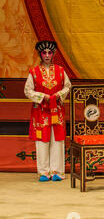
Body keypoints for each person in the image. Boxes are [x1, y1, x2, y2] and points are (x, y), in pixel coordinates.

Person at [24, 41, 72, 182]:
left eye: (49, 52)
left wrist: (58, 95)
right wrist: (42, 96)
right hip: (41, 110)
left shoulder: (60, 70)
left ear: (53, 54)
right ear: (40, 54)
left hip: (57, 110)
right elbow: (27, 90)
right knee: (42, 140)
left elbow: (68, 86)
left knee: (57, 139)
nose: (46, 55)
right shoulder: (34, 72)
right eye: (44, 53)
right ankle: (44, 172)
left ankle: (57, 171)